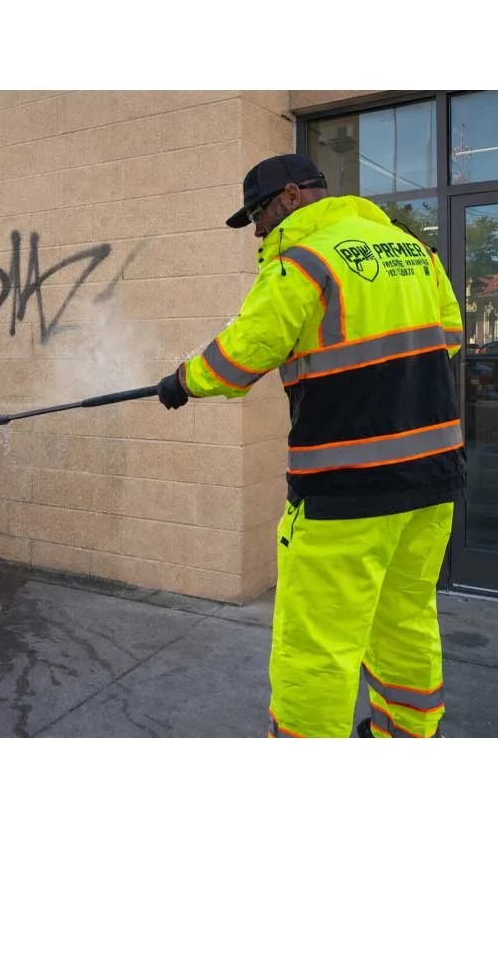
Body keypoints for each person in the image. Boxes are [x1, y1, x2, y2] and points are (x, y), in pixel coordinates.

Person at [156, 154, 465, 738]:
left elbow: (240, 357)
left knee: (317, 645)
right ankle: (410, 736)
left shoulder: (302, 261)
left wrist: (182, 381)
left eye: (258, 212)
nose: (256, 229)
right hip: (432, 479)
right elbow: (449, 335)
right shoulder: (412, 250)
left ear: (293, 196)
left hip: (345, 490)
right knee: (405, 618)